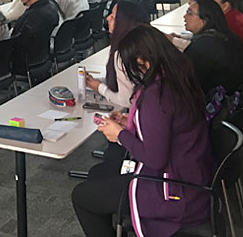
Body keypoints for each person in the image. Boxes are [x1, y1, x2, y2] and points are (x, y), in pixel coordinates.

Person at [72, 25, 212, 237]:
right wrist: (132, 123)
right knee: (97, 175)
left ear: (142, 60)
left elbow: (155, 159)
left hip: (174, 190)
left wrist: (120, 135)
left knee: (81, 197)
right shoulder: (178, 77)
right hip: (192, 175)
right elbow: (169, 126)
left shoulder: (157, 94)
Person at [174, 0, 243, 95]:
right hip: (237, 94)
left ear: (205, 20)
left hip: (215, 99)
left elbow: (186, 81)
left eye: (189, 13)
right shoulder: (228, 36)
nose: (184, 17)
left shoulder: (203, 46)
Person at [85, 0, 150, 109]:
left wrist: (99, 87)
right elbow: (123, 81)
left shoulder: (125, 54)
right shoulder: (143, 43)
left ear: (124, 23)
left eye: (113, 16)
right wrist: (94, 82)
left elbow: (127, 101)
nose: (107, 18)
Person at [10, 0, 59, 80]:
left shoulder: (32, 16)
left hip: (24, 63)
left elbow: (16, 42)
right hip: (43, 58)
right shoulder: (50, 7)